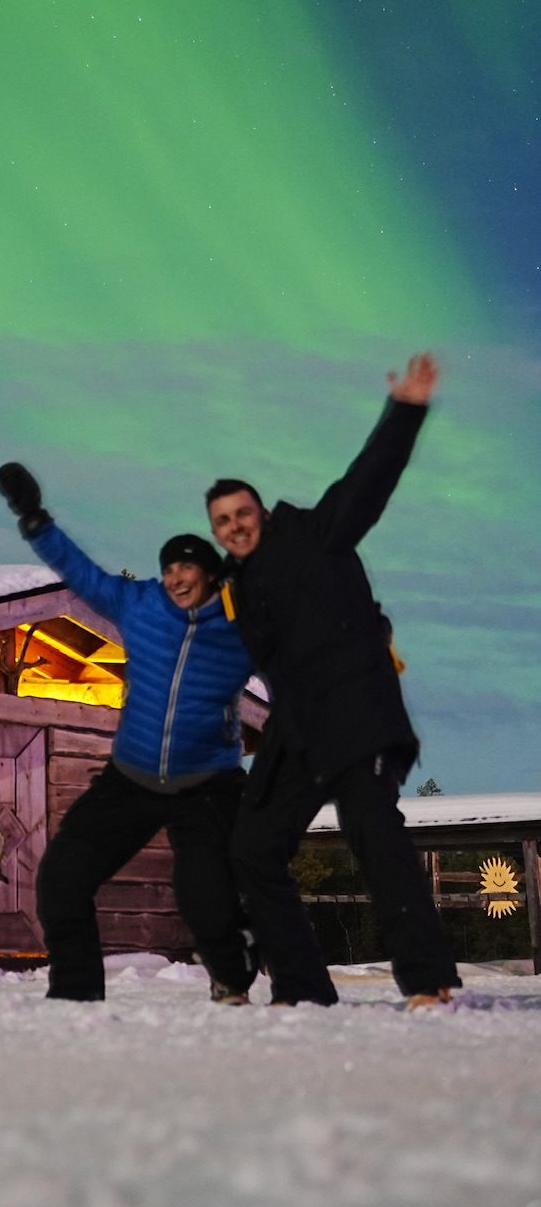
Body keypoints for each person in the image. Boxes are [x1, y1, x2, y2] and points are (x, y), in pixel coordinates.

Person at [205, 351, 460, 1010]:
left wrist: (405, 409)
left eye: (242, 513)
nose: (235, 526)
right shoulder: (236, 591)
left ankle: (427, 980)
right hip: (298, 731)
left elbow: (368, 479)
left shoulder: (316, 534)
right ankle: (301, 988)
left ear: (261, 512)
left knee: (373, 829)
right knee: (252, 847)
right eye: (223, 521)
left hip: (356, 713)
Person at [0, 462, 257, 1003]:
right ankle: (75, 997)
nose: (176, 578)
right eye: (169, 569)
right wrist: (34, 518)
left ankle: (232, 975)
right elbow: (81, 572)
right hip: (131, 778)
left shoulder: (240, 626)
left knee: (206, 903)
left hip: (208, 785)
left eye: (187, 567)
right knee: (61, 879)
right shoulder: (140, 605)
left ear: (211, 574)